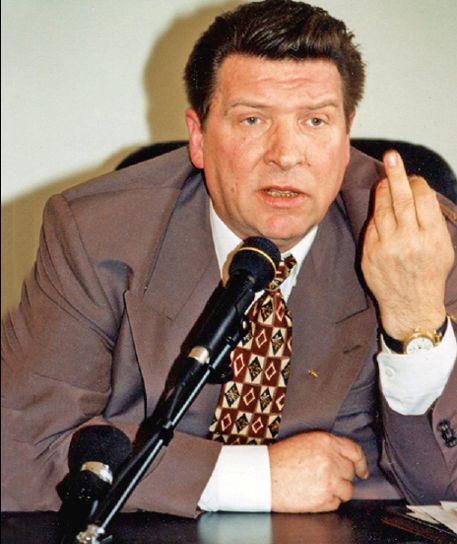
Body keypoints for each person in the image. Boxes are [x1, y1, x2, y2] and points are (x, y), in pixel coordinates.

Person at [2, 0, 456, 519]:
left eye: (315, 120)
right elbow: (18, 455)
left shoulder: (420, 237)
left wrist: (415, 325)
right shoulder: (96, 234)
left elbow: (444, 488)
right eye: (252, 119)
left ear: (346, 134)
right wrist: (251, 478)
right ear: (198, 137)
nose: (287, 154)